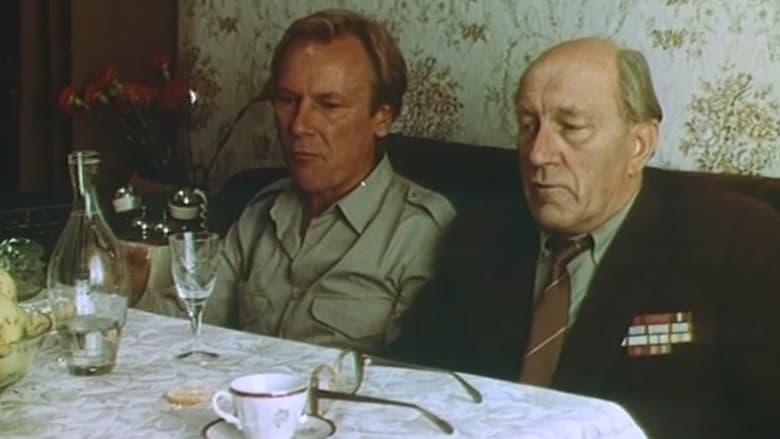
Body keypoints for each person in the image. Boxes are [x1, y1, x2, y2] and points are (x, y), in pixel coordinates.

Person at [388, 37, 780, 438]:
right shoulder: (483, 231)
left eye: (571, 127)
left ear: (638, 145)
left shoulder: (733, 238)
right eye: (528, 125)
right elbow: (414, 377)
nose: (538, 154)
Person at [204, 9, 455, 353]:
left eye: (329, 105)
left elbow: (416, 375)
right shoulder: (260, 209)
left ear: (382, 117)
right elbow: (188, 329)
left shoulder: (421, 231)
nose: (298, 125)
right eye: (287, 100)